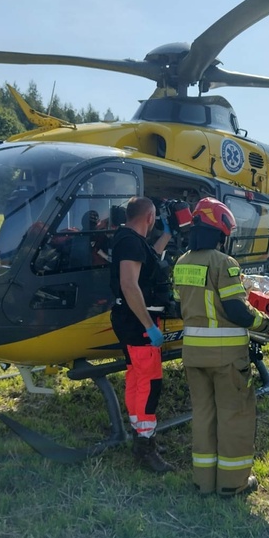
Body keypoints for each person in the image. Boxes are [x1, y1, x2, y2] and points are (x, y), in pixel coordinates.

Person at [173, 197, 269, 497]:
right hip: (226, 357)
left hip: (193, 355)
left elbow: (178, 305)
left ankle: (204, 482)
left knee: (204, 415)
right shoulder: (224, 263)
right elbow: (238, 311)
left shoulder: (181, 263)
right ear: (221, 232)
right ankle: (232, 484)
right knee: (234, 416)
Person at [110, 195, 174, 473]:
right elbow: (129, 284)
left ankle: (142, 436)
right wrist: (149, 325)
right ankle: (144, 446)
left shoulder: (129, 240)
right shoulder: (130, 242)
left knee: (136, 377)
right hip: (138, 322)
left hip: (128, 320)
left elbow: (149, 257)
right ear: (149, 217)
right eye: (156, 218)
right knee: (149, 383)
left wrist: (168, 235)